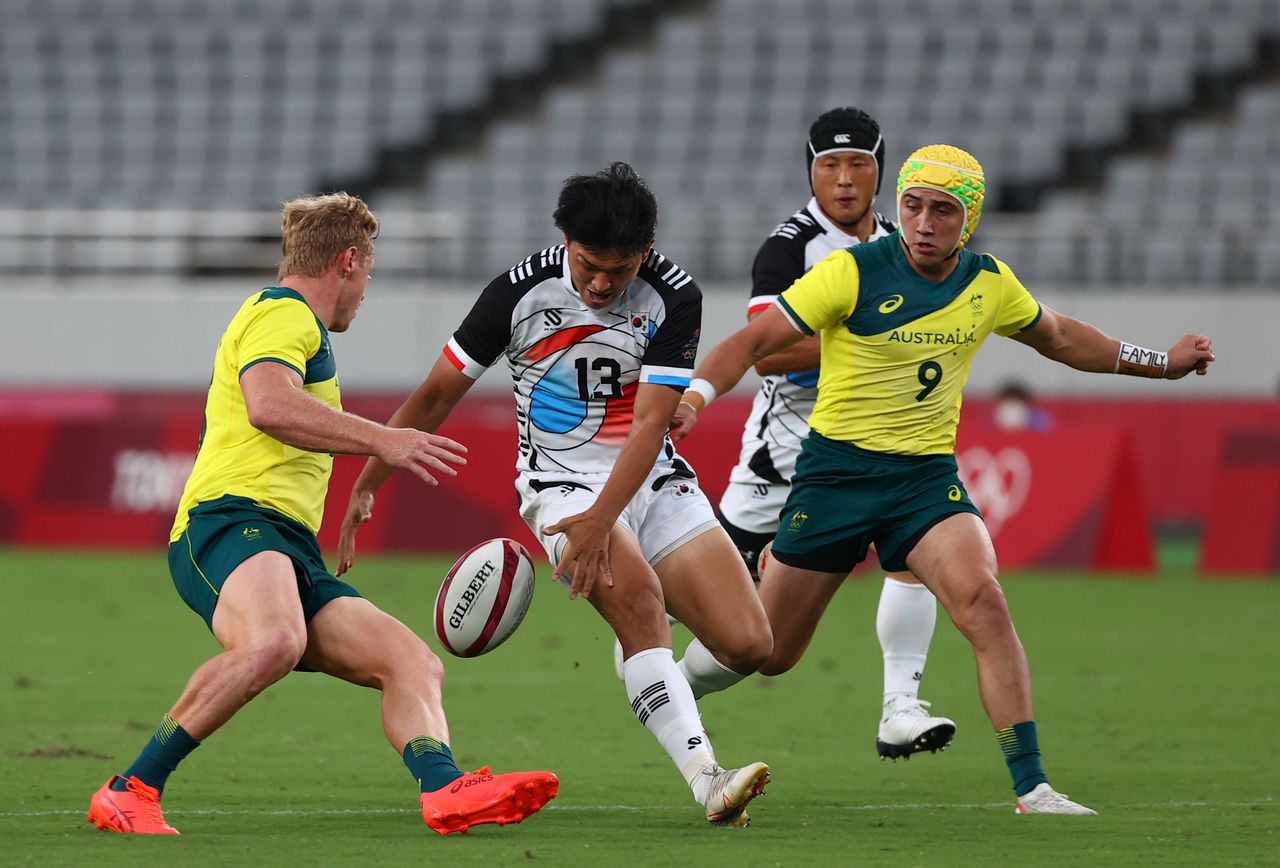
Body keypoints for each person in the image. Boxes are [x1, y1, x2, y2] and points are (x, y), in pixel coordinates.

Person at [672, 144, 1214, 815]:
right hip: (834, 478)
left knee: (984, 603)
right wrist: (695, 397)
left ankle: (1033, 786)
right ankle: (671, 685)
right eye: (913, 205)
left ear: (971, 219)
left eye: (943, 210)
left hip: (923, 482)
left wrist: (1161, 363)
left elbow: (1064, 336)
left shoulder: (989, 284)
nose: (924, 222)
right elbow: (754, 342)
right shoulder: (852, 271)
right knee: (769, 652)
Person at [87, 193, 558, 837]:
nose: (365, 290)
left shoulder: (290, 324)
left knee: (411, 663)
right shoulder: (284, 316)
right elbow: (269, 405)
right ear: (348, 261)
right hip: (227, 521)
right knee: (276, 642)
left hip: (285, 542)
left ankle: (446, 790)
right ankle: (130, 789)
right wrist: (386, 440)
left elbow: (289, 421)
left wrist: (359, 490)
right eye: (367, 273)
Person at [337, 163, 774, 828]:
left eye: (618, 269)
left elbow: (653, 421)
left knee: (749, 645)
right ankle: (707, 777)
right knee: (644, 610)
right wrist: (369, 483)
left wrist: (608, 520)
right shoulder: (518, 292)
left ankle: (650, 673)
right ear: (564, 238)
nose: (601, 284)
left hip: (651, 478)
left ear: (645, 254)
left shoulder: (673, 296)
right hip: (562, 486)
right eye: (588, 264)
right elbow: (434, 396)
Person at [713, 106, 955, 761]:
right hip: (785, 453)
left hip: (880, 448)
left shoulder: (908, 243)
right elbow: (768, 353)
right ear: (810, 173)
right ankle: (661, 683)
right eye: (829, 166)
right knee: (722, 612)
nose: (844, 180)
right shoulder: (789, 248)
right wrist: (876, 341)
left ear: (881, 172)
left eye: (858, 165)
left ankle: (900, 708)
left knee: (915, 559)